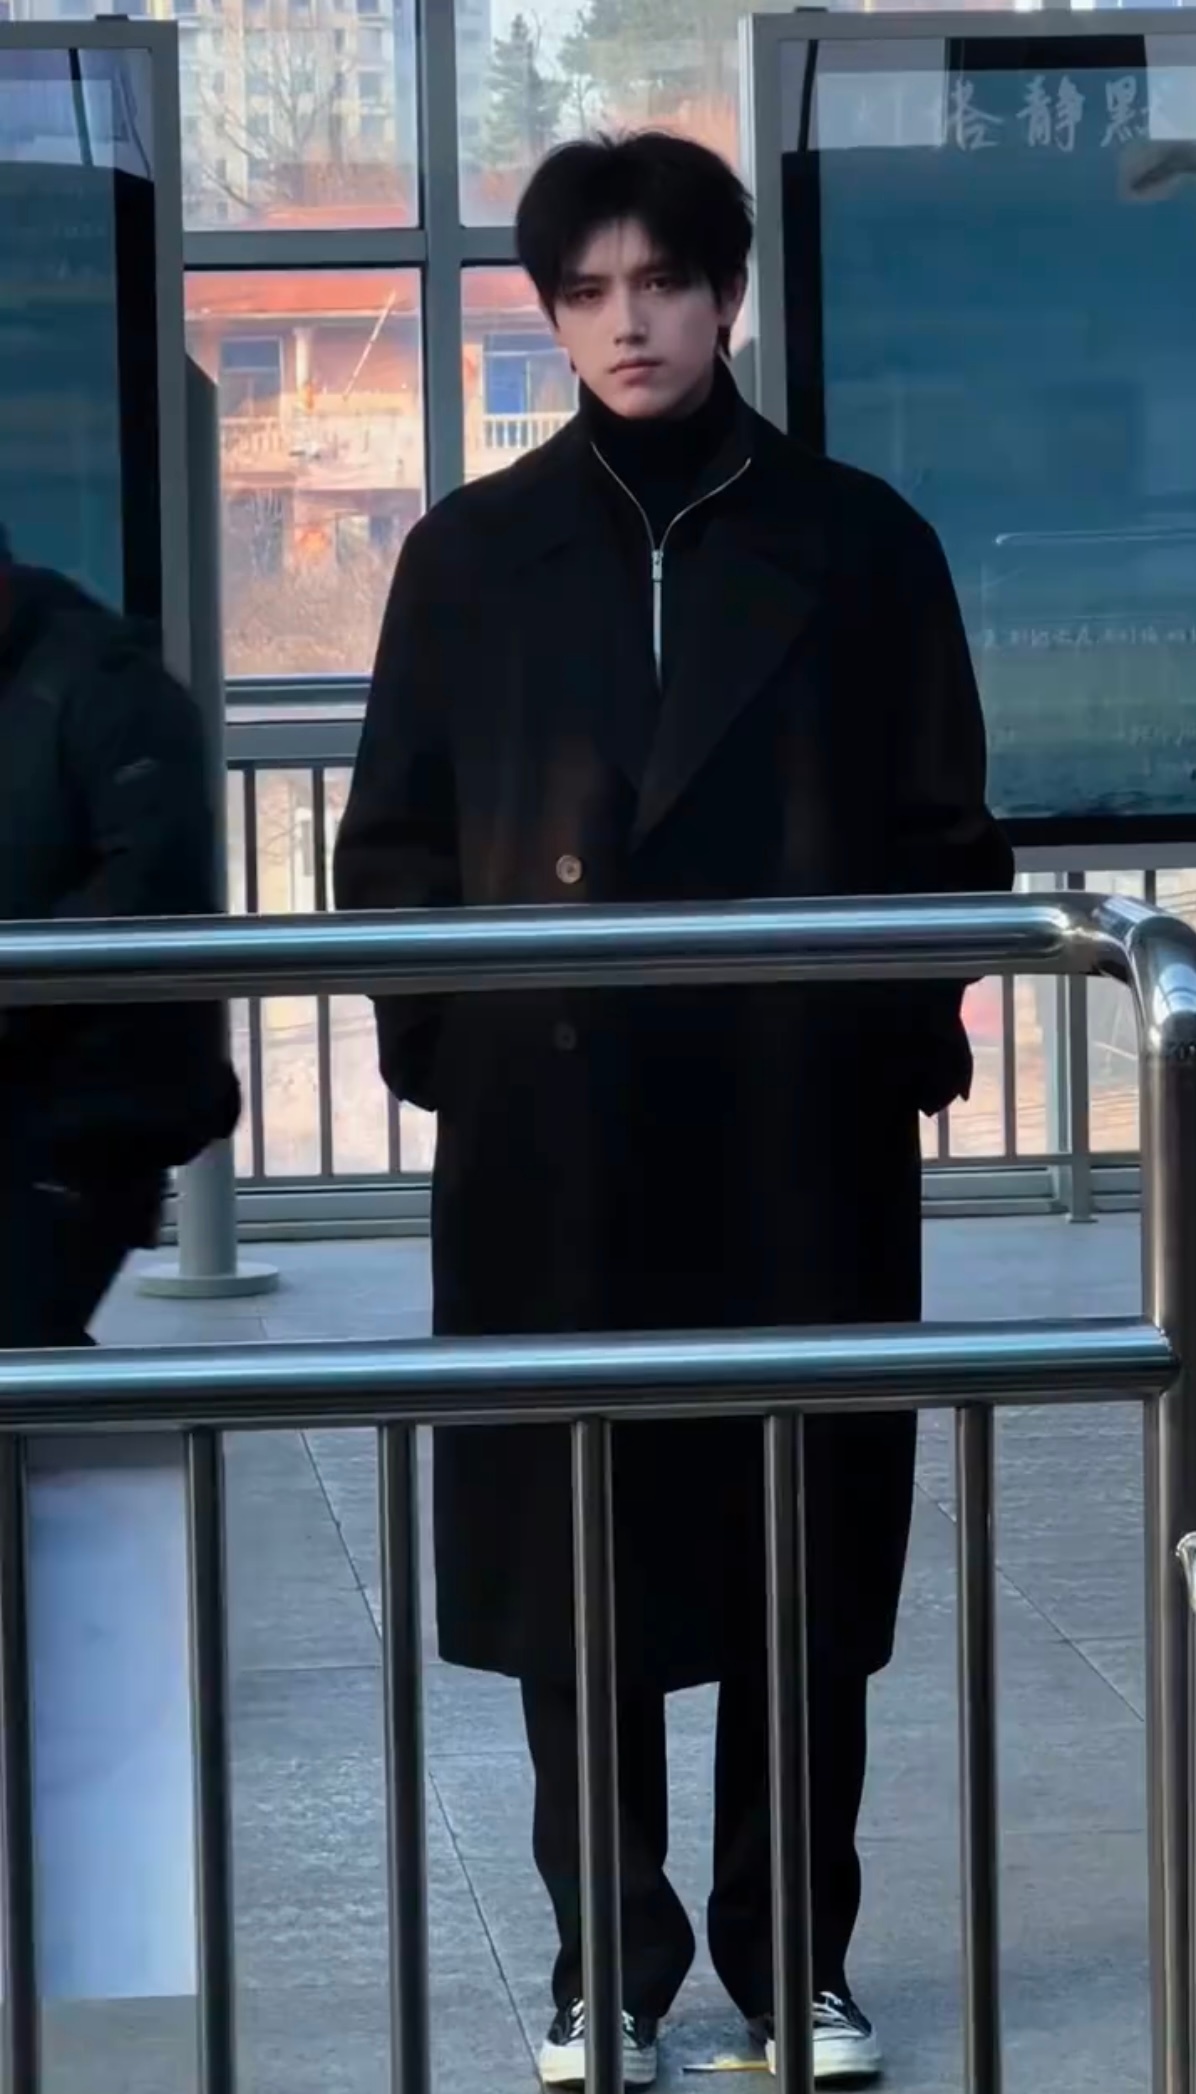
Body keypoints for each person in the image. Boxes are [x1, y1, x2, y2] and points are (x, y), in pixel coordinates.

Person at [335, 132, 1014, 2089]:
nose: (627, 321)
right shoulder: (469, 555)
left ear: (727, 296)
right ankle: (603, 1966)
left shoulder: (861, 542)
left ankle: (796, 1958)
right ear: (552, 314)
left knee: (801, 1552)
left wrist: (881, 1050)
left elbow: (945, 835)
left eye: (662, 282)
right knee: (582, 1562)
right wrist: (456, 1053)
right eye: (589, 289)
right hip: (551, 1141)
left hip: (796, 1133)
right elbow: (395, 845)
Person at [0, 546, 240, 1346]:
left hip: (79, 1114)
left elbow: (148, 888)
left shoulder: (105, 684)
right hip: (54, 1104)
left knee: (23, 1336)